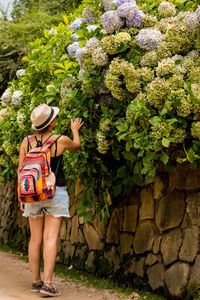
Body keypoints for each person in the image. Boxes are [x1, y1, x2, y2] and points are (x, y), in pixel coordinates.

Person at [18, 103, 83, 297]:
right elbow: (77, 146)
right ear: (51, 123)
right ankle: (48, 284)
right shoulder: (60, 140)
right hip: (55, 191)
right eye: (54, 117)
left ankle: (36, 282)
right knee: (50, 237)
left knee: (35, 238)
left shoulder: (26, 142)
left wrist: (21, 197)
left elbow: (21, 170)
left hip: (31, 194)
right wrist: (74, 130)